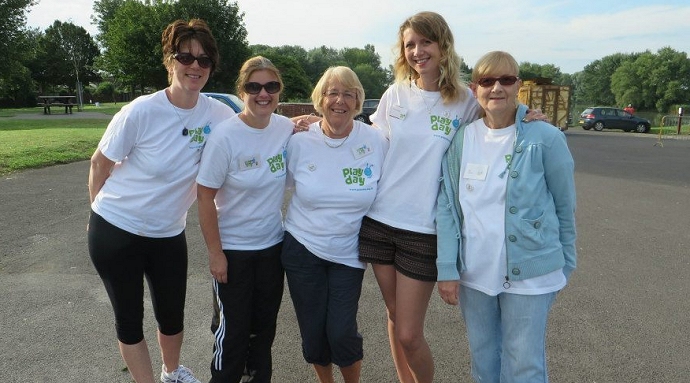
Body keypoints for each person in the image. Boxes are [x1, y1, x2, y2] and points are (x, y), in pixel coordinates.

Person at [87, 19, 235, 383]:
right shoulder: (141, 111)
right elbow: (99, 163)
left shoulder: (218, 114)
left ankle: (171, 372)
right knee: (129, 317)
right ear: (170, 61)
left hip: (168, 233)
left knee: (171, 315)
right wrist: (97, 216)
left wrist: (305, 124)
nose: (194, 66)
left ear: (211, 68)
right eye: (185, 57)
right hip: (116, 229)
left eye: (203, 60)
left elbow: (255, 127)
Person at [436, 51, 577, 383]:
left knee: (524, 363)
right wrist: (447, 268)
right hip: (475, 272)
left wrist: (566, 263)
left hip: (530, 274)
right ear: (475, 88)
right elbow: (448, 209)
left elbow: (564, 206)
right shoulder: (461, 140)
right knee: (484, 359)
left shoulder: (546, 138)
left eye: (506, 80)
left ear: (518, 85)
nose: (496, 87)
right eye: (487, 81)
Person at [356, 11, 480, 383]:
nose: (417, 51)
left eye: (424, 42)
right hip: (378, 222)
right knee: (394, 317)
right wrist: (318, 126)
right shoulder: (395, 93)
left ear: (442, 46)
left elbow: (497, 124)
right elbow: (369, 141)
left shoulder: (464, 101)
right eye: (410, 44)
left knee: (410, 332)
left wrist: (526, 115)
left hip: (424, 231)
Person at [281, 66, 388, 383]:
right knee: (313, 332)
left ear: (358, 101)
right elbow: (262, 168)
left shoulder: (377, 141)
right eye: (332, 93)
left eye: (348, 93)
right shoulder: (299, 143)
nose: (339, 100)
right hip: (302, 249)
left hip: (348, 253)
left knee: (341, 331)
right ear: (319, 99)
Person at [196, 56, 293, 383]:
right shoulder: (225, 136)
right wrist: (215, 254)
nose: (263, 93)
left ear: (279, 91)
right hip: (233, 252)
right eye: (254, 87)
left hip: (271, 248)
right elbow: (204, 196)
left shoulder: (284, 128)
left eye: (271, 86)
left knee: (263, 333)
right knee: (233, 334)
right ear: (242, 90)